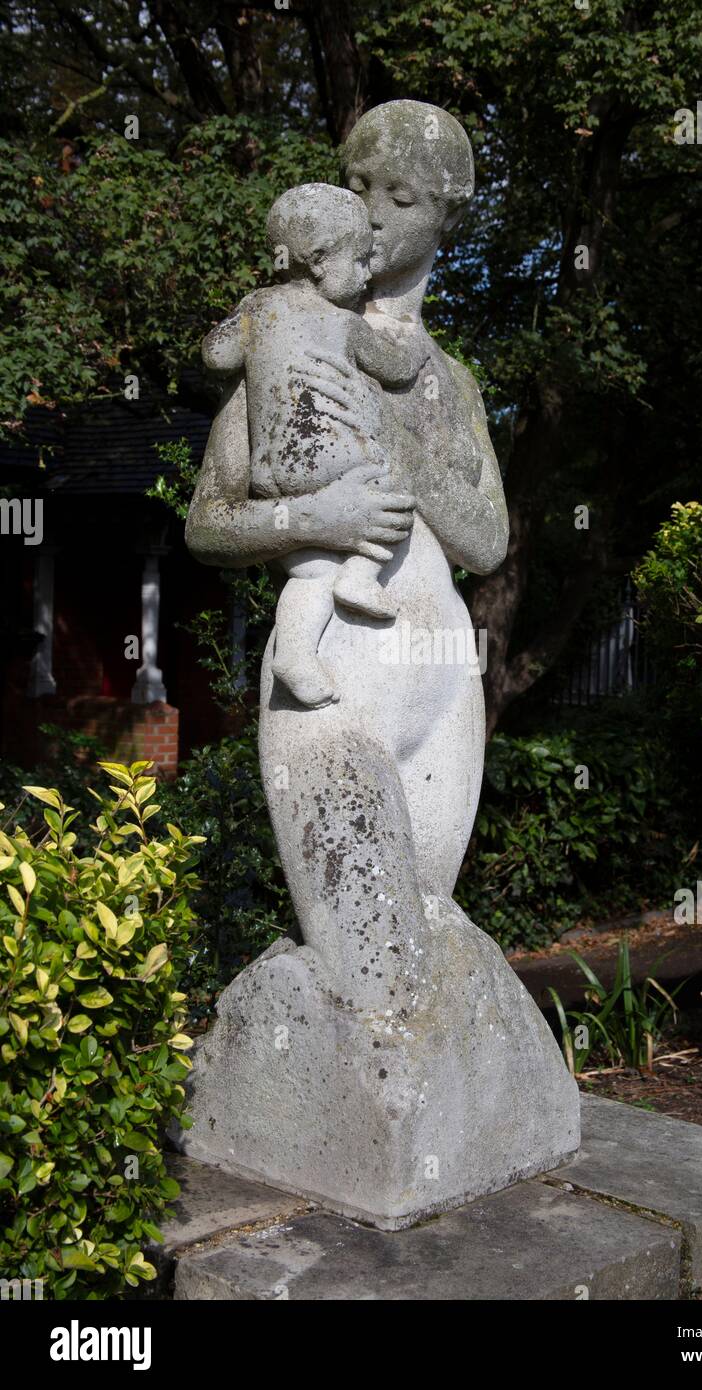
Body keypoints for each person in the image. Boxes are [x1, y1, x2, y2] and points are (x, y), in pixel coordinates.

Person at [186, 100, 508, 1017]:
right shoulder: (287, 331)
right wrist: (311, 515)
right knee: (375, 971)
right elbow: (209, 523)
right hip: (329, 676)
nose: (369, 213)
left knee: (433, 943)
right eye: (358, 185)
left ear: (449, 212)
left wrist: (397, 454)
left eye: (398, 195)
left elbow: (487, 539)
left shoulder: (448, 380)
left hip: (442, 673)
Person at [202, 183, 429, 707]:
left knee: (309, 571)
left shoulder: (259, 309)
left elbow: (215, 356)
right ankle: (362, 572)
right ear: (323, 262)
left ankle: (296, 653)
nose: (369, 274)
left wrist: (244, 319)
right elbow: (392, 367)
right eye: (362, 260)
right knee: (390, 493)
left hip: (273, 477)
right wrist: (414, 351)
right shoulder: (346, 324)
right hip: (334, 462)